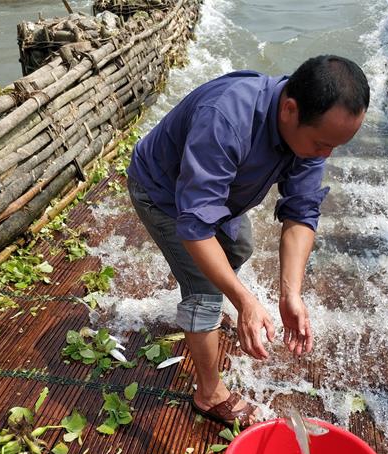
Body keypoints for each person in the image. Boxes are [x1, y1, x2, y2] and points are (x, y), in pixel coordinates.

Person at [127, 55, 369, 428]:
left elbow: (301, 213)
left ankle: (209, 302)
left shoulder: (310, 131)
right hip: (162, 193)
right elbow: (194, 224)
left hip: (218, 198)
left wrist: (292, 293)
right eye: (322, 144)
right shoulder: (226, 118)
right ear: (290, 109)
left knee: (239, 248)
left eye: (335, 147)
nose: (326, 155)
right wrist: (243, 299)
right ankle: (208, 394)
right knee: (205, 288)